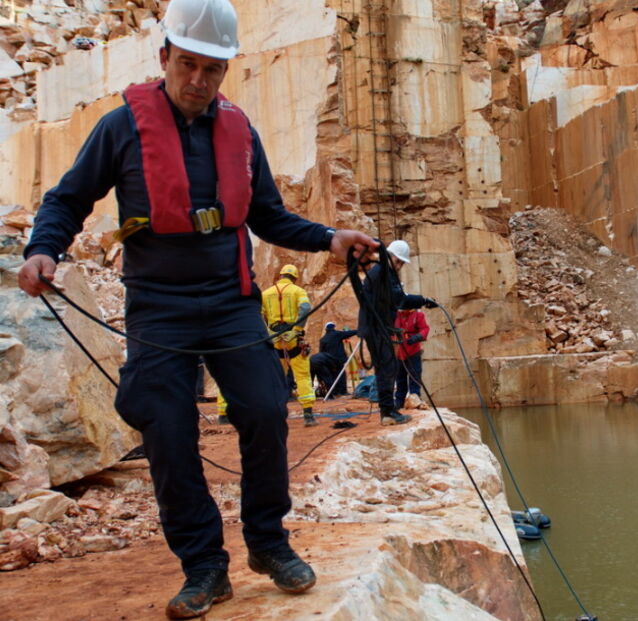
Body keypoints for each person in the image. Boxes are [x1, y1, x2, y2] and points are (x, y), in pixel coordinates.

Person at [16, 0, 378, 618]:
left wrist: (328, 237)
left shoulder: (240, 132)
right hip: (158, 307)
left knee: (265, 408)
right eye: (188, 65)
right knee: (167, 427)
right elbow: (67, 198)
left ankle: (268, 543)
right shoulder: (120, 128)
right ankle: (205, 566)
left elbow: (267, 216)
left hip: (232, 300)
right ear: (165, 58)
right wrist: (43, 249)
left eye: (212, 69)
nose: (198, 81)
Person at [357, 239, 437, 426]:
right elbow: (399, 299)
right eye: (399, 261)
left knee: (389, 367)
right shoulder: (383, 273)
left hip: (378, 325)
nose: (400, 265)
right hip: (376, 327)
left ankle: (389, 410)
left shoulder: (384, 272)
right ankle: (387, 412)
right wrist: (423, 300)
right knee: (387, 368)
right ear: (390, 256)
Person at [262, 264, 317, 427]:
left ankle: (275, 414)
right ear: (294, 277)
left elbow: (257, 314)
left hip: (275, 339)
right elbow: (305, 308)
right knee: (302, 376)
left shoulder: (265, 293)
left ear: (280, 276)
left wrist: (268, 332)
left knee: (276, 378)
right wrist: (296, 329)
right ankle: (308, 415)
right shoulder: (298, 291)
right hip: (293, 339)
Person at [394, 302, 430, 410]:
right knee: (400, 378)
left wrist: (417, 337)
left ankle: (415, 399)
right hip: (399, 350)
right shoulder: (397, 314)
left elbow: (425, 329)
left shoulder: (418, 315)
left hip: (413, 349)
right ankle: (399, 402)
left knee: (415, 376)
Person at [318, 322, 357, 396]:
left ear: (326, 329)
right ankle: (342, 391)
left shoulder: (322, 339)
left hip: (329, 361)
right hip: (339, 359)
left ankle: (334, 392)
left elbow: (321, 352)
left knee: (332, 375)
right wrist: (359, 331)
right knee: (341, 374)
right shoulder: (337, 334)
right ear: (333, 327)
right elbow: (348, 333)